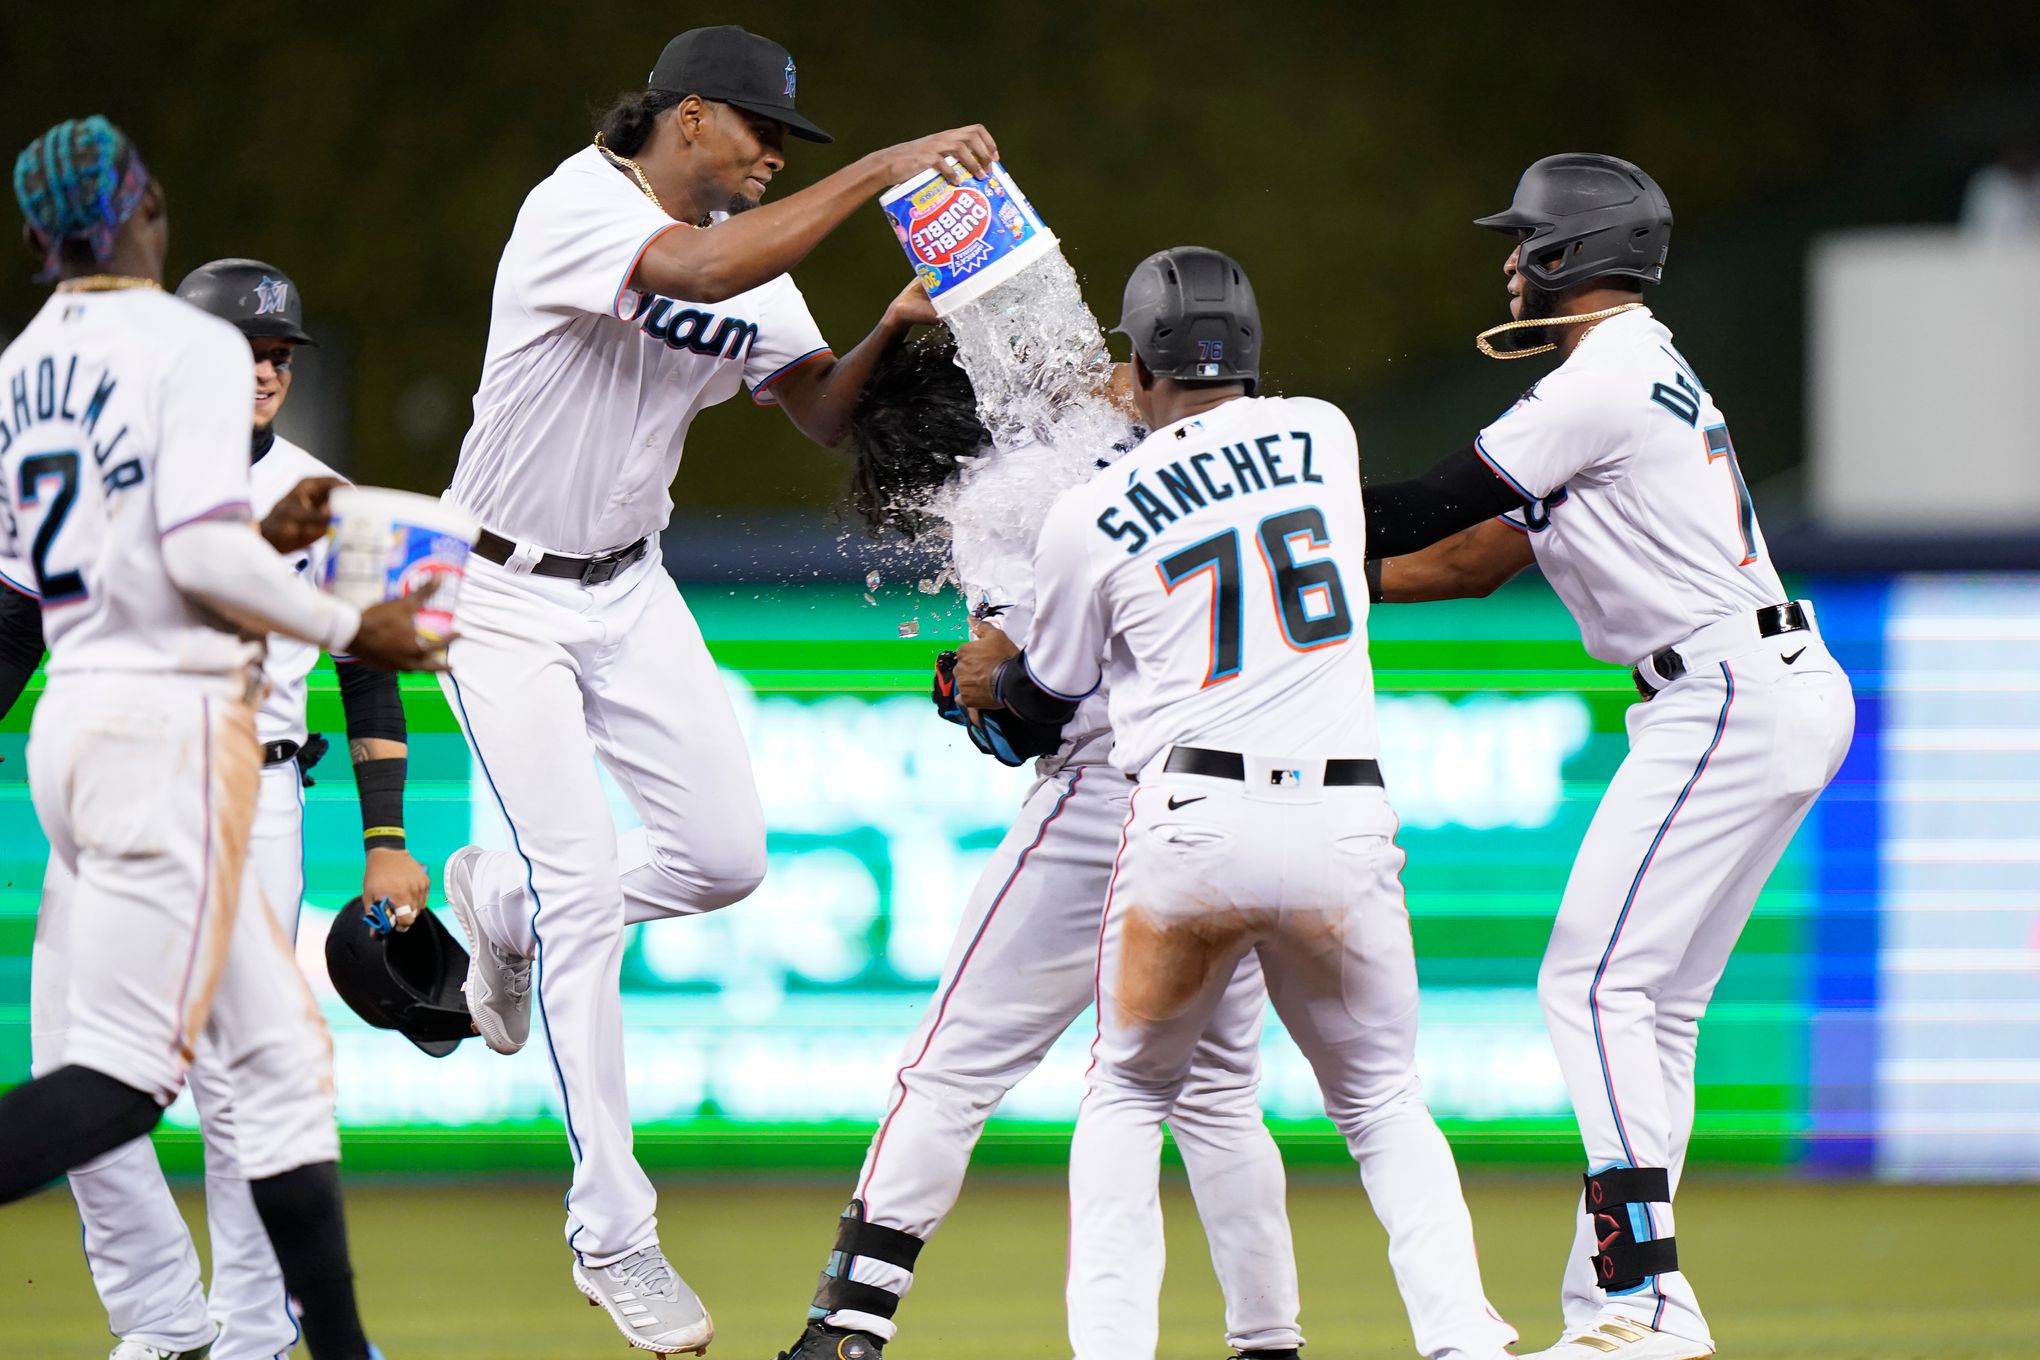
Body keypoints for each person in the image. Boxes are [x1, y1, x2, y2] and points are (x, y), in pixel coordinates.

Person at [430, 23, 1000, 1352]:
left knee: (727, 858)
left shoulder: (753, 258)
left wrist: (888, 330)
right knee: (586, 895)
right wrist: (871, 174)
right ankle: (612, 1231)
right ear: (689, 117)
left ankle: (501, 899)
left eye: (784, 149)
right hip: (499, 589)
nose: (766, 160)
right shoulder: (576, 204)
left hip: (630, 587)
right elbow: (693, 264)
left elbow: (816, 408)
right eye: (758, 136)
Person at [955, 247, 1517, 1360]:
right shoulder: (1323, 432)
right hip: (1343, 825)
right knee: (1383, 1106)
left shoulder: (1089, 511)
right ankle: (1464, 1341)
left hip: (1193, 828)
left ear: (1138, 360)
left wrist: (969, 683)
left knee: (1127, 1098)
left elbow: (1042, 703)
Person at [1359, 154, 1856, 1359]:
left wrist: (1264, 510)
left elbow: (1427, 502)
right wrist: (1285, 576)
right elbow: (1463, 561)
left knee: (1588, 984)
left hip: (1724, 691)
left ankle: (1648, 1302)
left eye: (1524, 241)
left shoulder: (1607, 372)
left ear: (1571, 258)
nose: (1509, 263)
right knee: (1656, 1009)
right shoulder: (1632, 372)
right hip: (1764, 684)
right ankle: (1615, 1309)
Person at [0, 116, 443, 1360]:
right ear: (142, 209)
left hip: (83, 729)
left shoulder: (25, 363)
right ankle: (185, 1325)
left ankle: (271, 1341)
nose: (257, 364)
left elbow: (27, 596)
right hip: (182, 736)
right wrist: (354, 616)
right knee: (130, 1081)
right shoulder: (179, 351)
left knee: (271, 1070)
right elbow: (197, 556)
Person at [774, 331, 1304, 1360]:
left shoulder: (990, 501)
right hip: (1235, 783)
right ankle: (1269, 1343)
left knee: (948, 1066)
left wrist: (955, 686)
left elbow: (1027, 716)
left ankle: (847, 1324)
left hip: (1111, 790)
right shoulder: (1121, 421)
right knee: (1217, 1094)